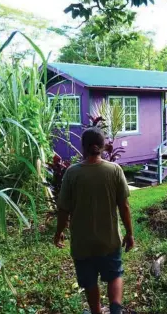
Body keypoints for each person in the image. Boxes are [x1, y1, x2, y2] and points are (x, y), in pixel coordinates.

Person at [54, 127, 134, 314]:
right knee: (115, 274)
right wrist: (130, 233)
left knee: (90, 281)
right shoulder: (114, 170)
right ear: (103, 146)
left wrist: (58, 233)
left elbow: (63, 209)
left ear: (83, 146)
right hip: (110, 240)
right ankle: (115, 309)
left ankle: (96, 311)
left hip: (83, 244)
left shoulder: (72, 173)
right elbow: (124, 206)